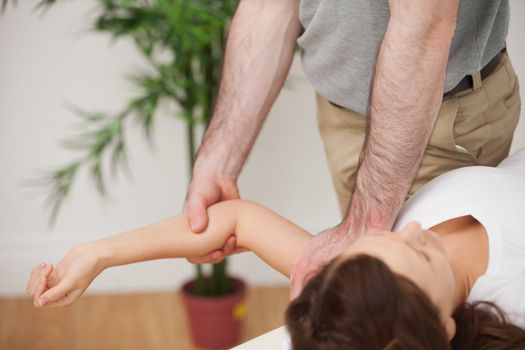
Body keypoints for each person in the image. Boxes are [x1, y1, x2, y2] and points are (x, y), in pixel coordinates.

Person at [181, 0, 521, 298]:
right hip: (341, 115)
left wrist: (365, 223)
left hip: (435, 118)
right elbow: (269, 5)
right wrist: (218, 162)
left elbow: (423, 28)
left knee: (396, 311)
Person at [26, 149, 525, 349]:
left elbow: (237, 221)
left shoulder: (366, 291)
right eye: (420, 255)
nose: (413, 227)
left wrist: (99, 254)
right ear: (442, 326)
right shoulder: (513, 296)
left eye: (388, 238)